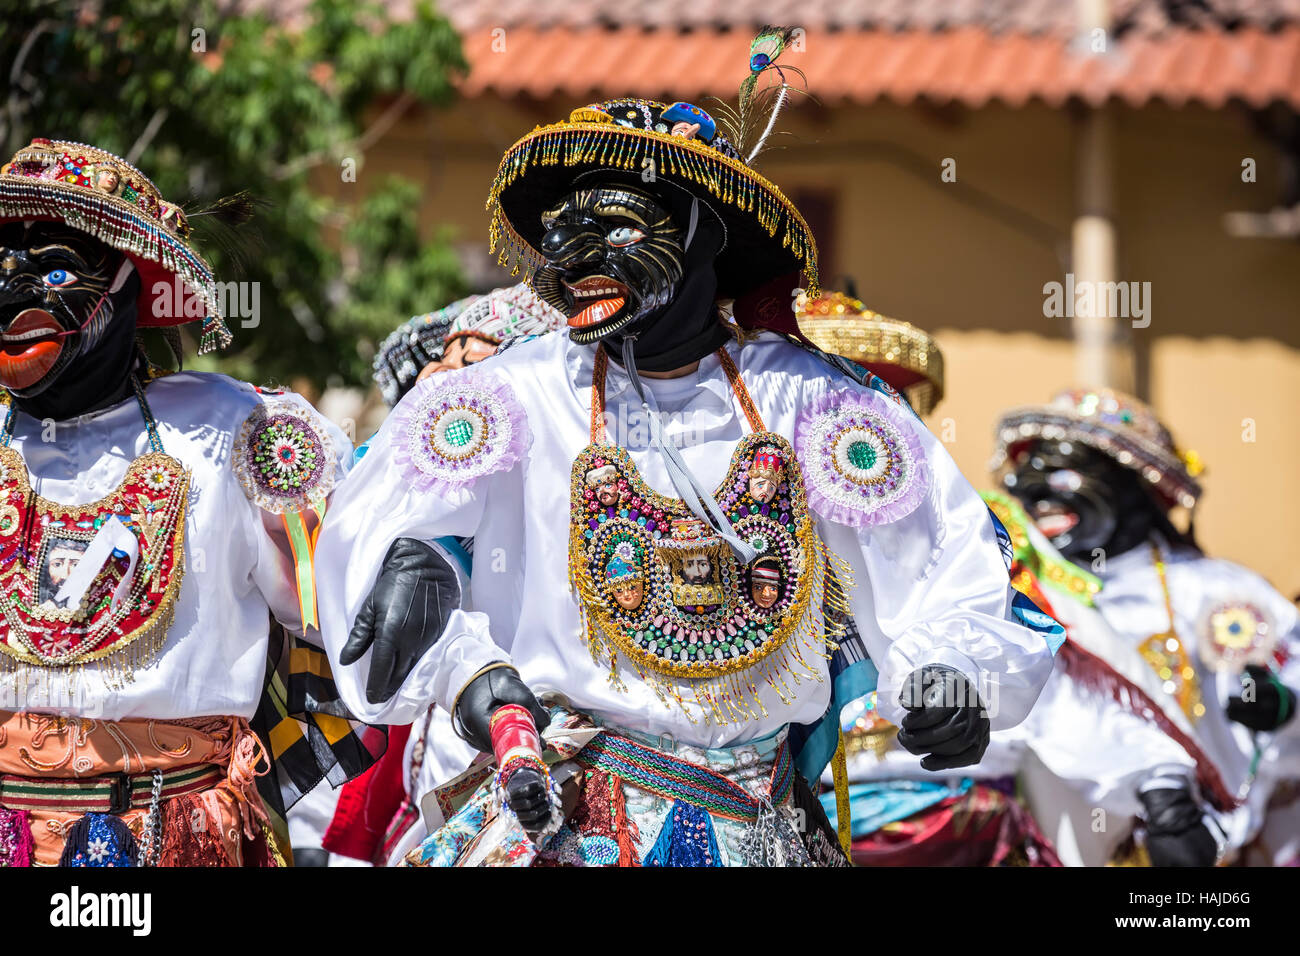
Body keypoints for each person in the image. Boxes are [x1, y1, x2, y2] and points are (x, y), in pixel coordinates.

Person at [317, 38, 1056, 867]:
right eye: (561, 233)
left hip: (762, 827)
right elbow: (373, 541)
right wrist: (420, 564)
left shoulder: (817, 401)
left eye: (614, 228)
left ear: (705, 234)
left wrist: (953, 670)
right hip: (562, 824)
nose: (572, 257)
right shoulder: (508, 394)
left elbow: (948, 566)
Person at [0, 138, 402, 866]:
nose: (13, 294)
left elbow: (350, 618)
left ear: (129, 281)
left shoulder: (236, 432)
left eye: (55, 269)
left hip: (175, 837)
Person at [993, 388, 1300, 863]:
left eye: (1063, 472)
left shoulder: (1214, 589)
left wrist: (1284, 708)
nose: (1035, 493)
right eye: (1023, 477)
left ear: (1132, 483)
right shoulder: (1020, 601)